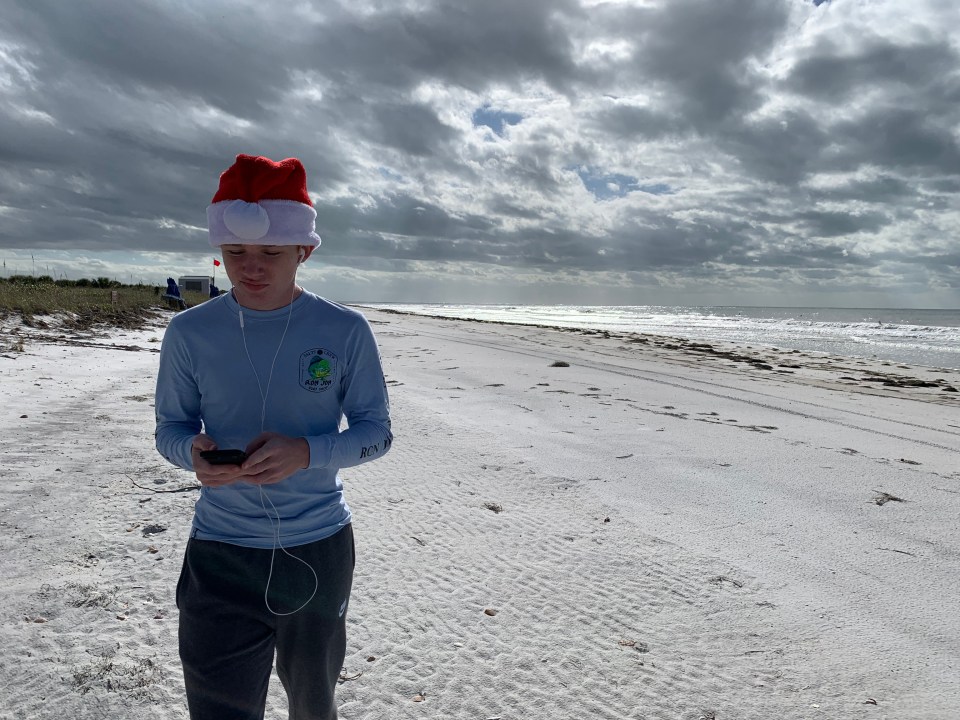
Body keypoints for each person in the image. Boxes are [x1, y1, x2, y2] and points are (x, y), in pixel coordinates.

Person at [154, 154, 393, 720]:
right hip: (219, 552)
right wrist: (194, 454)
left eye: (270, 253)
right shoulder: (189, 332)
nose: (251, 267)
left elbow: (376, 434)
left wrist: (307, 452)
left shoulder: (344, 330)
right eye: (236, 253)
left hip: (316, 548)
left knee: (313, 703)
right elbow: (170, 429)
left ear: (303, 251)